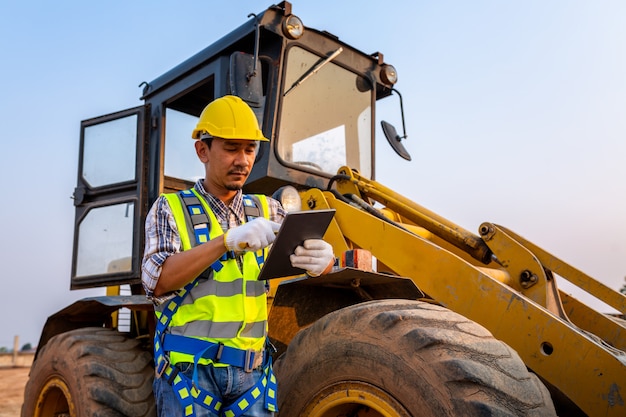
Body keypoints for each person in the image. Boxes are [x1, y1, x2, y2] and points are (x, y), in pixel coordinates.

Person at [142, 95, 335, 417]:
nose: (243, 160)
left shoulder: (269, 210)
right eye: (231, 148)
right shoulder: (169, 208)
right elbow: (157, 282)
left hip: (252, 373)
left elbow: (295, 267)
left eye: (249, 149)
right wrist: (225, 242)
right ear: (202, 150)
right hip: (190, 372)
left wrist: (322, 263)